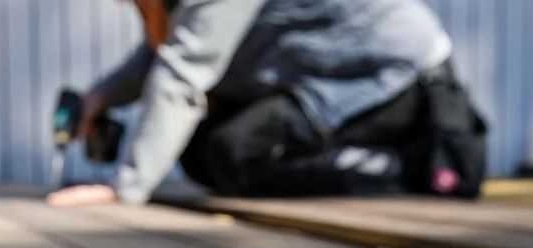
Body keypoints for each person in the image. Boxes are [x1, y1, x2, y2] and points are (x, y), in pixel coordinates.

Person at [48, 0, 487, 207]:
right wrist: (98, 98)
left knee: (232, 152)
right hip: (324, 73)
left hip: (392, 74)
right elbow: (163, 53)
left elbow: (183, 70)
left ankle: (409, 166)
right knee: (203, 153)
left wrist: (125, 190)